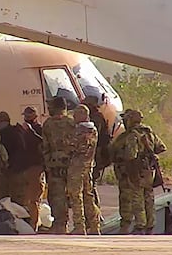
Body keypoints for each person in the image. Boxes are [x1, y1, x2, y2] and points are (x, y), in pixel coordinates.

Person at [130, 110, 166, 234]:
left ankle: (140, 224)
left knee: (138, 197)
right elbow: (161, 147)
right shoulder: (149, 132)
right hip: (149, 168)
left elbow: (131, 155)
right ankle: (151, 224)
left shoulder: (133, 134)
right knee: (149, 197)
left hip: (138, 168)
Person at [42, 96, 75, 234]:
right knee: (76, 195)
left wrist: (47, 164)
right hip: (72, 165)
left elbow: (45, 147)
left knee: (57, 196)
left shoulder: (48, 124)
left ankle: (60, 225)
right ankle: (82, 224)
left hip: (55, 165)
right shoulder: (73, 123)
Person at [67, 104, 101, 235]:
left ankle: (79, 225)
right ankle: (94, 225)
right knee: (88, 196)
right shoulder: (93, 130)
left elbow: (72, 147)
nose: (74, 117)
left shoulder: (80, 130)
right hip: (88, 166)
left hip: (77, 167)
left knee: (76, 196)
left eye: (76, 115)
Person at [109, 109, 134, 234]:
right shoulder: (146, 133)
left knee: (127, 199)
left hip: (128, 172)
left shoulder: (125, 137)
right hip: (135, 173)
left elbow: (113, 153)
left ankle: (127, 225)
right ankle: (142, 224)